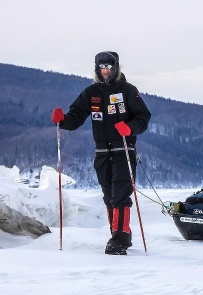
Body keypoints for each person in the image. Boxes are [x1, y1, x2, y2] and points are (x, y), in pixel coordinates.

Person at [52, 51, 151, 255]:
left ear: (116, 68)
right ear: (97, 69)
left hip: (123, 149)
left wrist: (130, 128)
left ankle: (120, 239)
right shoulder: (92, 93)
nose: (105, 71)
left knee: (120, 196)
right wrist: (62, 120)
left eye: (109, 67)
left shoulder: (128, 91)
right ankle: (116, 232)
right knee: (108, 196)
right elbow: (76, 116)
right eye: (101, 67)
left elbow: (143, 117)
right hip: (102, 153)